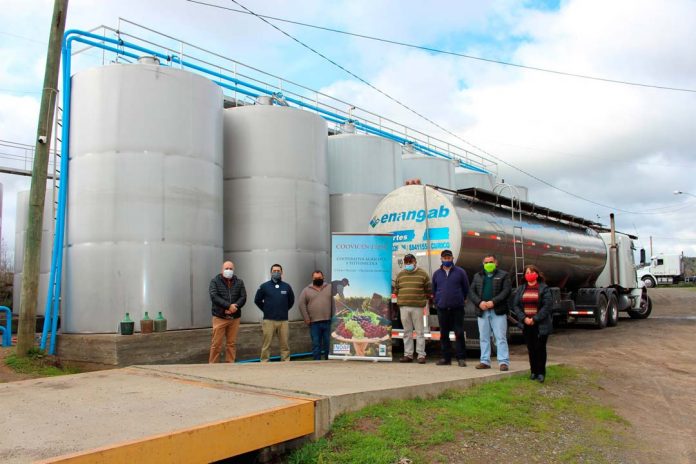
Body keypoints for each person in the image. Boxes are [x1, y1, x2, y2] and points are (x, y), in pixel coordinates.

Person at [467, 254, 512, 371]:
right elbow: (471, 292)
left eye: (491, 262)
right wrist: (479, 302)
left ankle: (503, 362)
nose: (488, 264)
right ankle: (485, 361)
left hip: (498, 311)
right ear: (483, 264)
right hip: (482, 311)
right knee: (483, 337)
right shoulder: (477, 276)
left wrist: (494, 302)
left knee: (500, 337)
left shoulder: (504, 275)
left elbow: (506, 291)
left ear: (496, 263)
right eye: (486, 262)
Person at [511, 265, 553, 383]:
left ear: (537, 274)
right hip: (526, 324)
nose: (529, 274)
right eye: (527, 273)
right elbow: (516, 305)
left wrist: (535, 318)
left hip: (540, 324)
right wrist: (524, 318)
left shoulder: (544, 288)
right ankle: (533, 372)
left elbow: (547, 306)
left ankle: (541, 373)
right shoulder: (521, 289)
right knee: (531, 349)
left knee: (540, 348)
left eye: (531, 272)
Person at [432, 249, 470, 367]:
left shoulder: (460, 272)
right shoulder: (437, 274)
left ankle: (461, 358)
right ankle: (446, 358)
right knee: (444, 334)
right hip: (442, 308)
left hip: (457, 308)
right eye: (445, 258)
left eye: (449, 258)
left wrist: (460, 299)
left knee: (458, 332)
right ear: (441, 259)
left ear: (452, 258)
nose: (447, 260)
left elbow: (466, 288)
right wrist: (438, 301)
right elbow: (434, 289)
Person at [394, 253, 432, 364]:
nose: (408, 263)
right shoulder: (400, 275)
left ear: (415, 262)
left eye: (410, 261)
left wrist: (420, 299)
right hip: (404, 307)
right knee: (407, 332)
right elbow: (396, 290)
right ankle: (408, 355)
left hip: (418, 307)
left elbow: (428, 290)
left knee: (420, 331)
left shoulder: (423, 274)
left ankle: (421, 355)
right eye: (406, 262)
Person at [254, 264, 295, 362]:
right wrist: (266, 309)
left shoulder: (287, 286)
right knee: (266, 344)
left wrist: (283, 309)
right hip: (269, 320)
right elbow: (257, 300)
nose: (276, 272)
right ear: (271, 272)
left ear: (282, 272)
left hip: (283, 321)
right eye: (274, 271)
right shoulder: (264, 286)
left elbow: (291, 301)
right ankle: (264, 362)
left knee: (285, 345)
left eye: (278, 271)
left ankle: (285, 361)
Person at [208, 260, 247, 363]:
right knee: (216, 344)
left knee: (231, 343)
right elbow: (214, 296)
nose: (228, 270)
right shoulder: (215, 281)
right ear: (222, 270)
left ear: (233, 270)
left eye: (230, 269)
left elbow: (243, 297)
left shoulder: (239, 282)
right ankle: (213, 365)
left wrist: (235, 307)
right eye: (226, 268)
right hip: (219, 317)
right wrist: (228, 306)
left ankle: (230, 364)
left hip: (234, 318)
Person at [298, 270, 332, 360]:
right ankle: (316, 364)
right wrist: (306, 318)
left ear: (323, 277)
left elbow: (336, 301)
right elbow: (301, 304)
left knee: (328, 344)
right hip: (314, 323)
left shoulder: (330, 287)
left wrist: (334, 316)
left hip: (328, 321)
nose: (318, 279)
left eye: (319, 278)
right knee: (316, 345)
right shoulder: (306, 290)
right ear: (312, 278)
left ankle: (329, 362)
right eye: (315, 278)